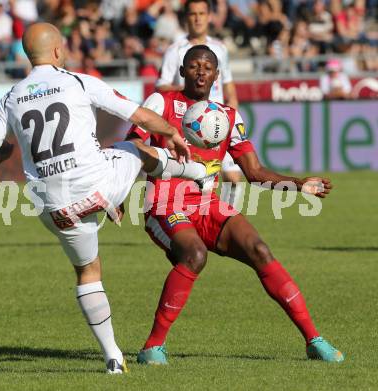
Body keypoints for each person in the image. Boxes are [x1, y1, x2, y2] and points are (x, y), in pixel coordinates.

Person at [0, 23, 220, 374]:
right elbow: (139, 116)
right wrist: (173, 134)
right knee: (133, 147)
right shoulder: (78, 81)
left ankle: (113, 358)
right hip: (97, 185)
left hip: (54, 207)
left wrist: (8, 151)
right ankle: (199, 174)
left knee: (88, 271)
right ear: (58, 51)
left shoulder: (11, 97)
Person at [127, 45, 344, 365]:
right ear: (183, 71)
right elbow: (133, 144)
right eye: (194, 66)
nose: (201, 71)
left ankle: (314, 339)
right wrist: (162, 165)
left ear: (216, 76)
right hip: (164, 204)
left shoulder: (227, 116)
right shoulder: (161, 103)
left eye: (208, 67)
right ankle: (152, 347)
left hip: (205, 204)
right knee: (195, 255)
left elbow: (254, 172)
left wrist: (299, 185)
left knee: (260, 250)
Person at [156, 0, 242, 207]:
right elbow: (161, 87)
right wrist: (189, 88)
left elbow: (228, 85)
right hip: (192, 123)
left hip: (219, 122)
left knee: (233, 178)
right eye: (193, 14)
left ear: (209, 16)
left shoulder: (220, 49)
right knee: (199, 179)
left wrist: (233, 115)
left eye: (202, 13)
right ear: (186, 18)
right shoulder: (175, 50)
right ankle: (198, 217)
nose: (197, 18)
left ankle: (224, 219)